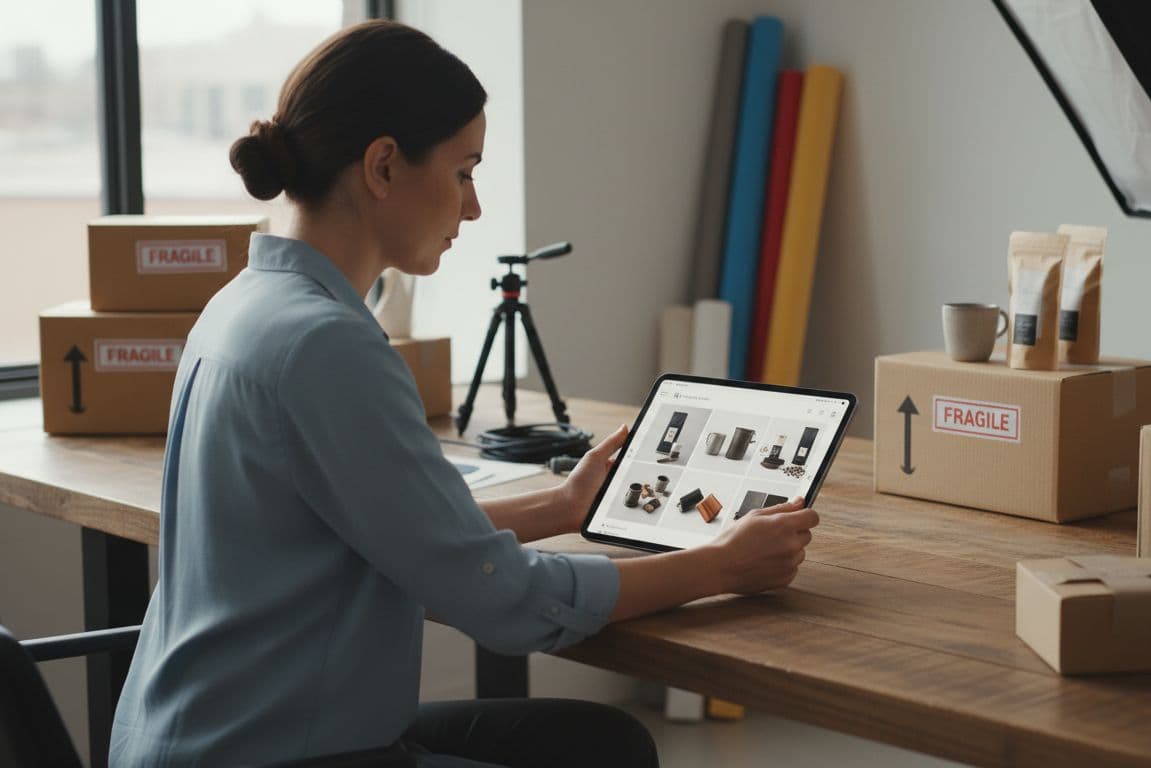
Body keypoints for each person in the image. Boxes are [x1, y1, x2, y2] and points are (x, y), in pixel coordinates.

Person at [109, 19, 819, 768]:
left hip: (197, 733)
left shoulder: (244, 304)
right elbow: (500, 603)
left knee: (598, 743)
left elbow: (403, 534)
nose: (473, 208)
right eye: (463, 172)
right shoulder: (327, 344)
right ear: (382, 166)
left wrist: (562, 507)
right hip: (274, 752)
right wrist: (720, 565)